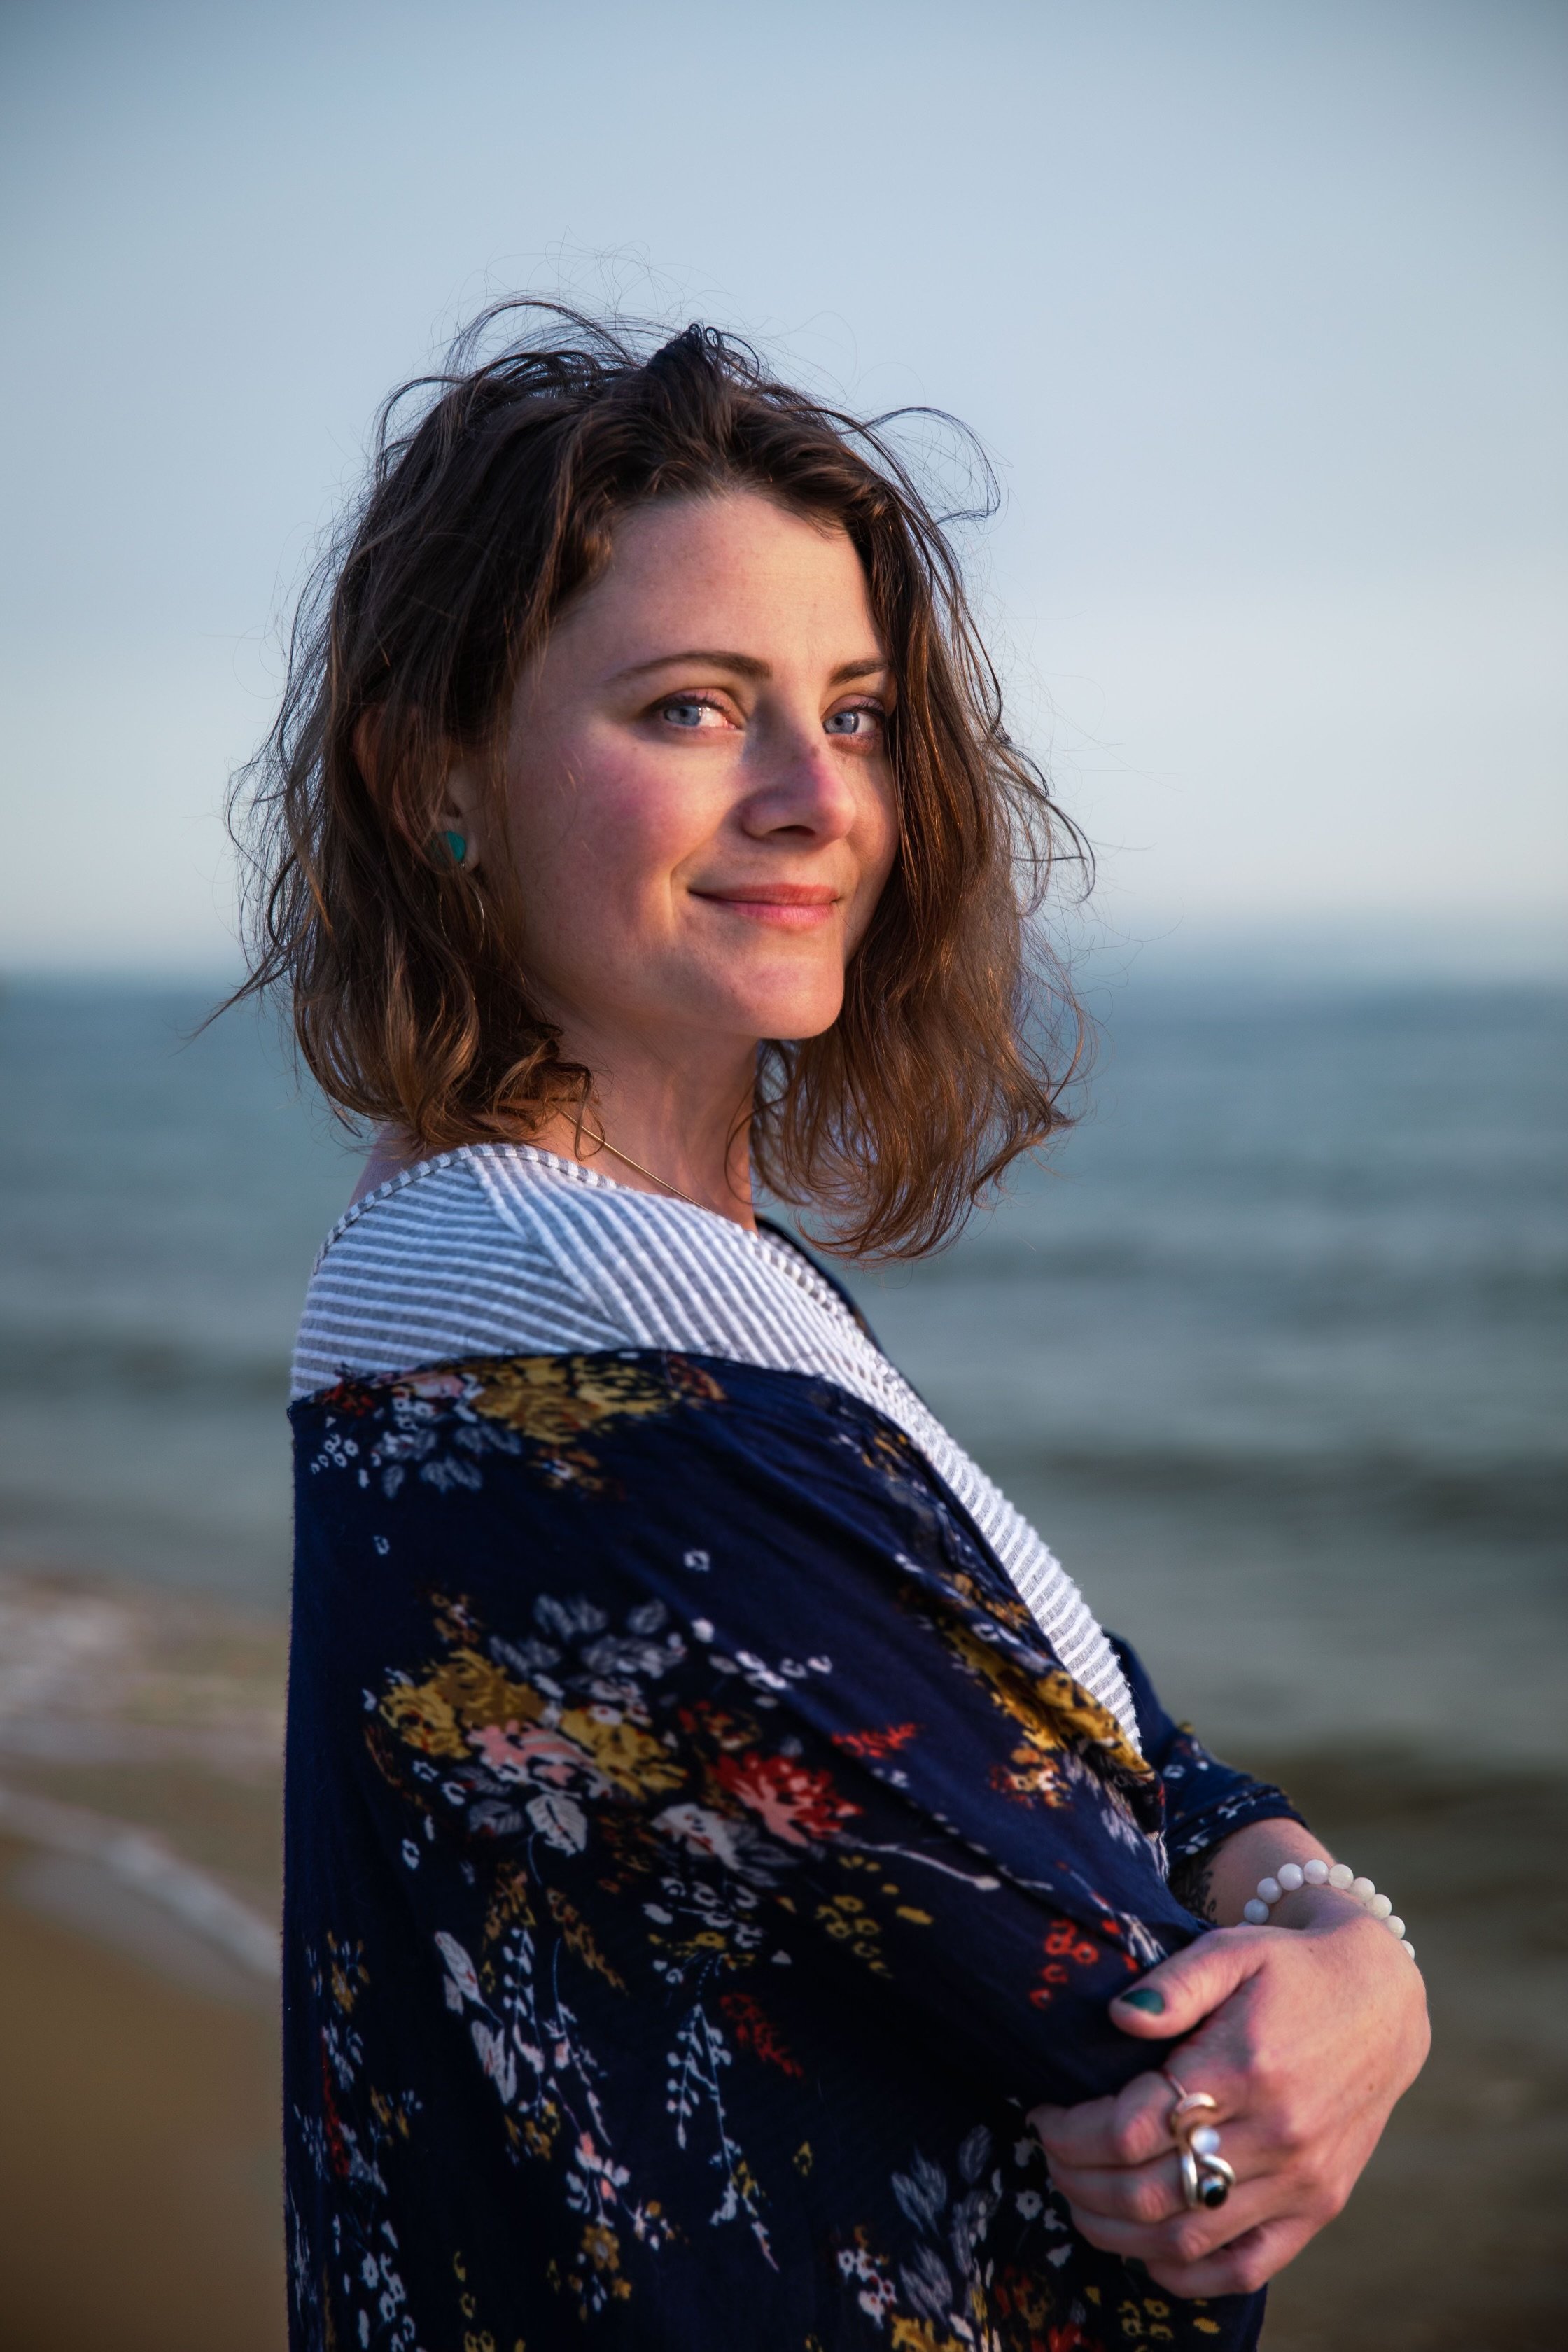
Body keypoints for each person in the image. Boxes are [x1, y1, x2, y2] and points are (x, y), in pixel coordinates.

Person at [241, 308, 1428, 2352]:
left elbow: (1124, 1754)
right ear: (437, 776)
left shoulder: (649, 1284)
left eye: (857, 713)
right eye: (695, 708)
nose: (815, 797)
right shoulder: (579, 1369)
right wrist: (1333, 1993)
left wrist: (1352, 1950)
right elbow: (1165, 2050)